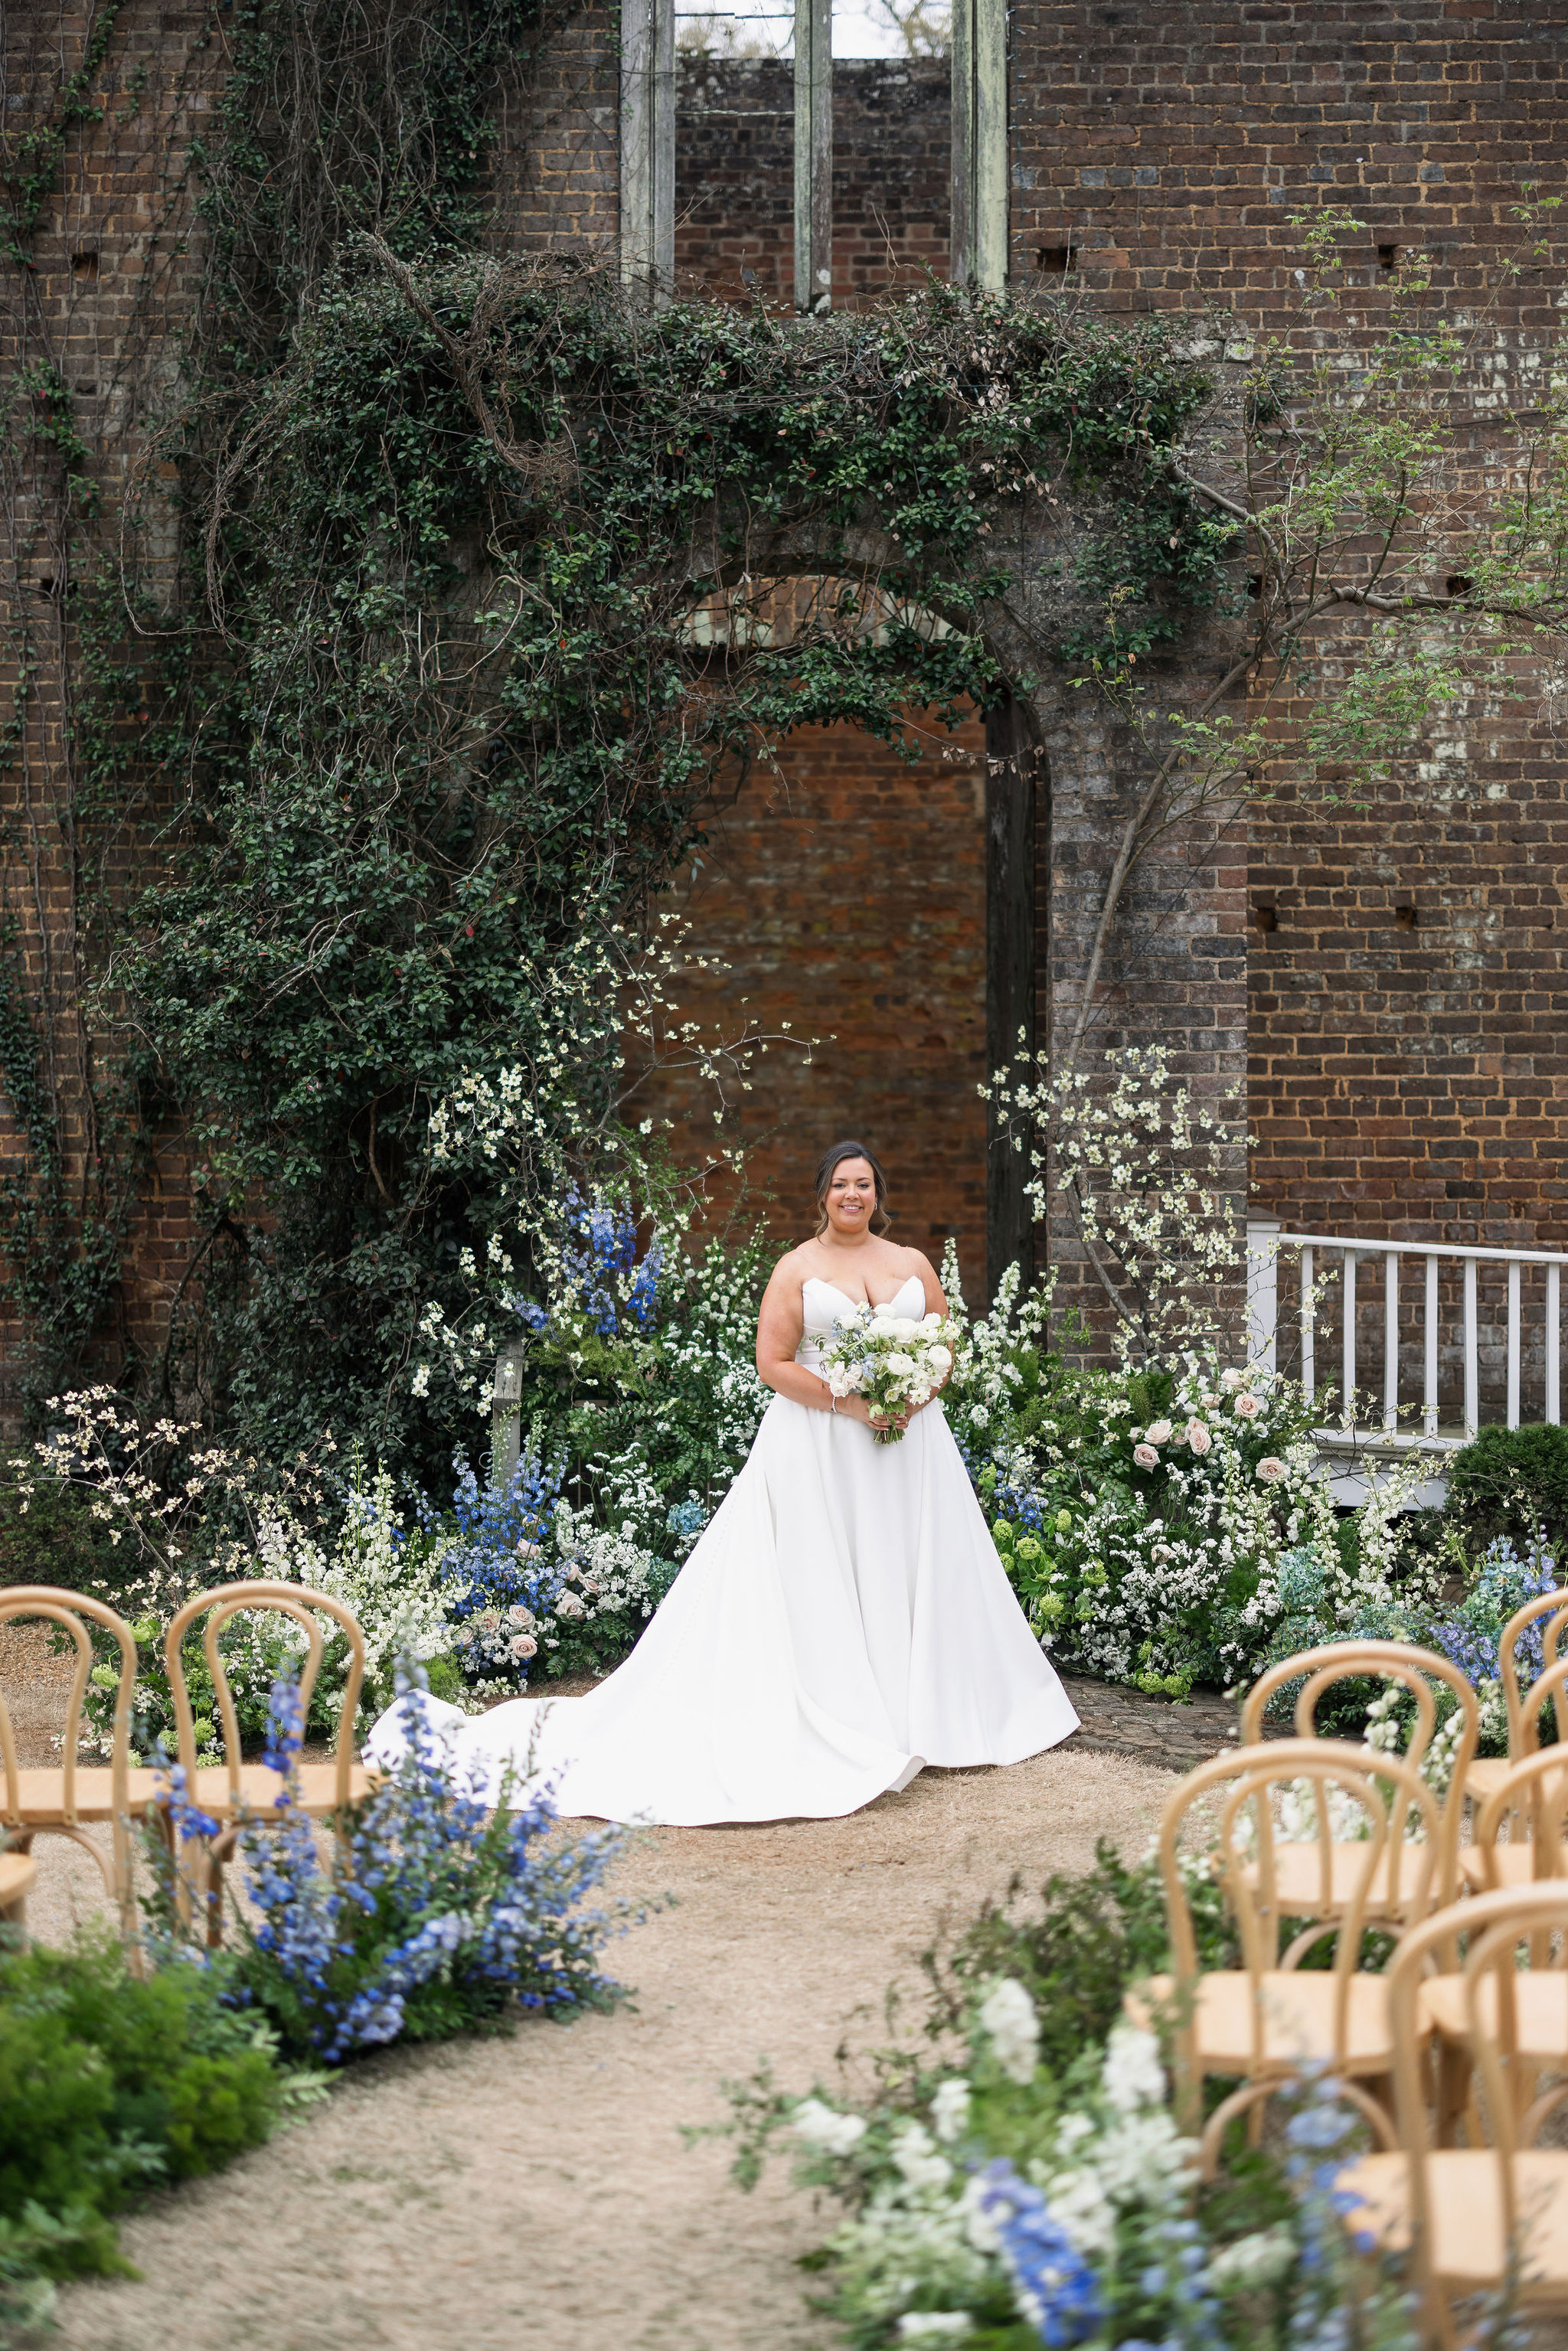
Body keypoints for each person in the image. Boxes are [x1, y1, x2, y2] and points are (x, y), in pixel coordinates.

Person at [368, 1141, 1078, 1824]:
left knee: (908, 1565)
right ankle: (850, 1715)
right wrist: (856, 1404)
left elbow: (944, 1347)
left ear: (878, 1194)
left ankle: (925, 1714)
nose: (852, 1194)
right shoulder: (797, 1266)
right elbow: (774, 1362)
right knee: (821, 1575)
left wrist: (908, 1401)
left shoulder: (914, 1263)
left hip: (908, 1446)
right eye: (840, 1184)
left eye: (863, 1183)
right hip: (822, 1443)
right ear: (822, 1196)